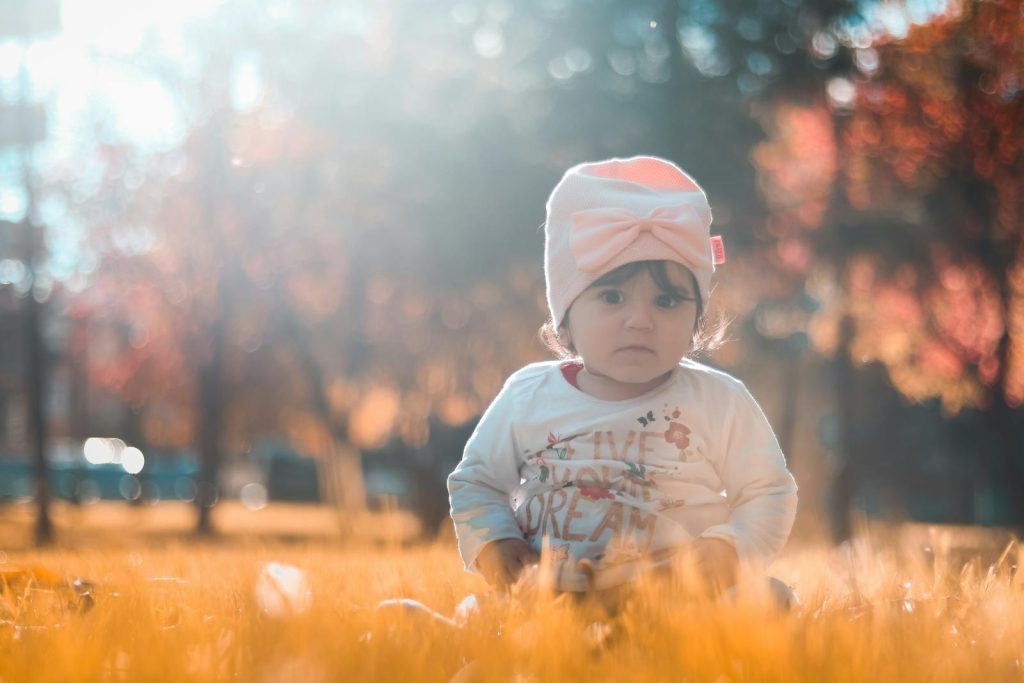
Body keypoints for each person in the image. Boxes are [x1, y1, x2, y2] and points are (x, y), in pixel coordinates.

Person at [446, 156, 798, 607]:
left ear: (696, 318)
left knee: (769, 600)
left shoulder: (719, 400)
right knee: (473, 615)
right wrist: (497, 544)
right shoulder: (528, 395)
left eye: (667, 300)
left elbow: (768, 490)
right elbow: (477, 481)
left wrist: (728, 547)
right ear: (566, 317)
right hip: (553, 595)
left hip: (679, 596)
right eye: (612, 297)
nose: (640, 320)